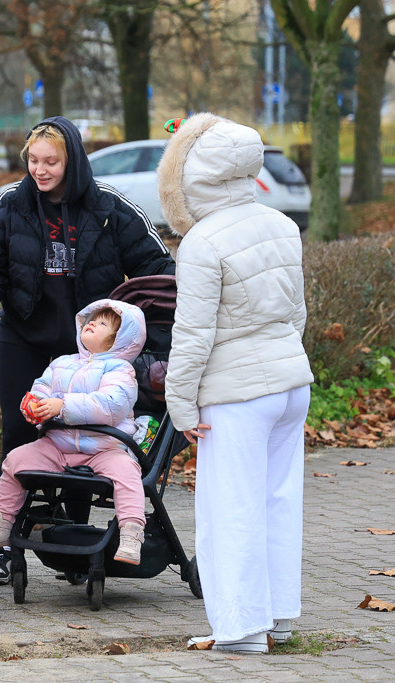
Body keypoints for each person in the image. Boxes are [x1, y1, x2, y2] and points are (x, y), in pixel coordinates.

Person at [0, 116, 175, 585]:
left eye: (51, 162)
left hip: (89, 347)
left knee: (82, 431)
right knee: (22, 432)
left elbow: (159, 271)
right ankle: (9, 543)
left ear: (73, 160)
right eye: (33, 161)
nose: (40, 171)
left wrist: (151, 345)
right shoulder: (8, 207)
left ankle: (73, 536)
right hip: (24, 337)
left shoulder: (109, 209)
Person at [158, 113, 312, 654]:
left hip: (237, 393)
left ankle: (243, 630)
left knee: (229, 510)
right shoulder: (282, 224)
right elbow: (297, 313)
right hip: (291, 382)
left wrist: (178, 405)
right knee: (277, 501)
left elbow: (193, 336)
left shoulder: (202, 241)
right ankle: (276, 616)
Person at [0, 300, 147, 565]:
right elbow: (41, 388)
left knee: (127, 473)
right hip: (58, 444)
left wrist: (63, 406)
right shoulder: (62, 363)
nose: (92, 324)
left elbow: (112, 405)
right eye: (91, 320)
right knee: (15, 461)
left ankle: (131, 534)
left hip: (104, 447)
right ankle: (1, 523)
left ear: (118, 340)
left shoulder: (121, 370)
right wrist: (33, 405)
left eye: (102, 324)